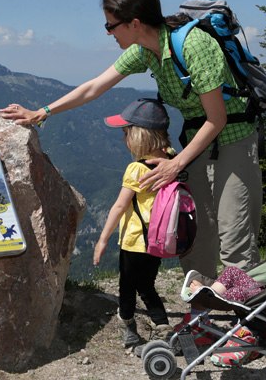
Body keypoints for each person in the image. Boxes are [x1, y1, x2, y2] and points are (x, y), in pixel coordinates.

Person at [0, 0, 261, 276]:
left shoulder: (194, 46)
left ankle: (248, 315)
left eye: (111, 26)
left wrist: (175, 164)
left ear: (134, 23)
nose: (109, 33)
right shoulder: (144, 51)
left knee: (233, 236)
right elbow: (94, 87)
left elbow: (218, 119)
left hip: (233, 138)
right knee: (194, 230)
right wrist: (41, 112)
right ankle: (199, 310)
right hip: (194, 142)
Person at [93, 98, 175, 348]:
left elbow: (119, 206)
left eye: (126, 133)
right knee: (147, 285)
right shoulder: (172, 161)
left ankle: (129, 328)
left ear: (140, 137)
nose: (123, 139)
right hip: (159, 240)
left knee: (127, 288)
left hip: (134, 242)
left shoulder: (136, 169)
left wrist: (102, 240)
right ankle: (162, 326)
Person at [181, 267, 263, 367]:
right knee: (231, 270)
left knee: (243, 291)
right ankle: (208, 293)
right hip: (265, 286)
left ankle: (206, 295)